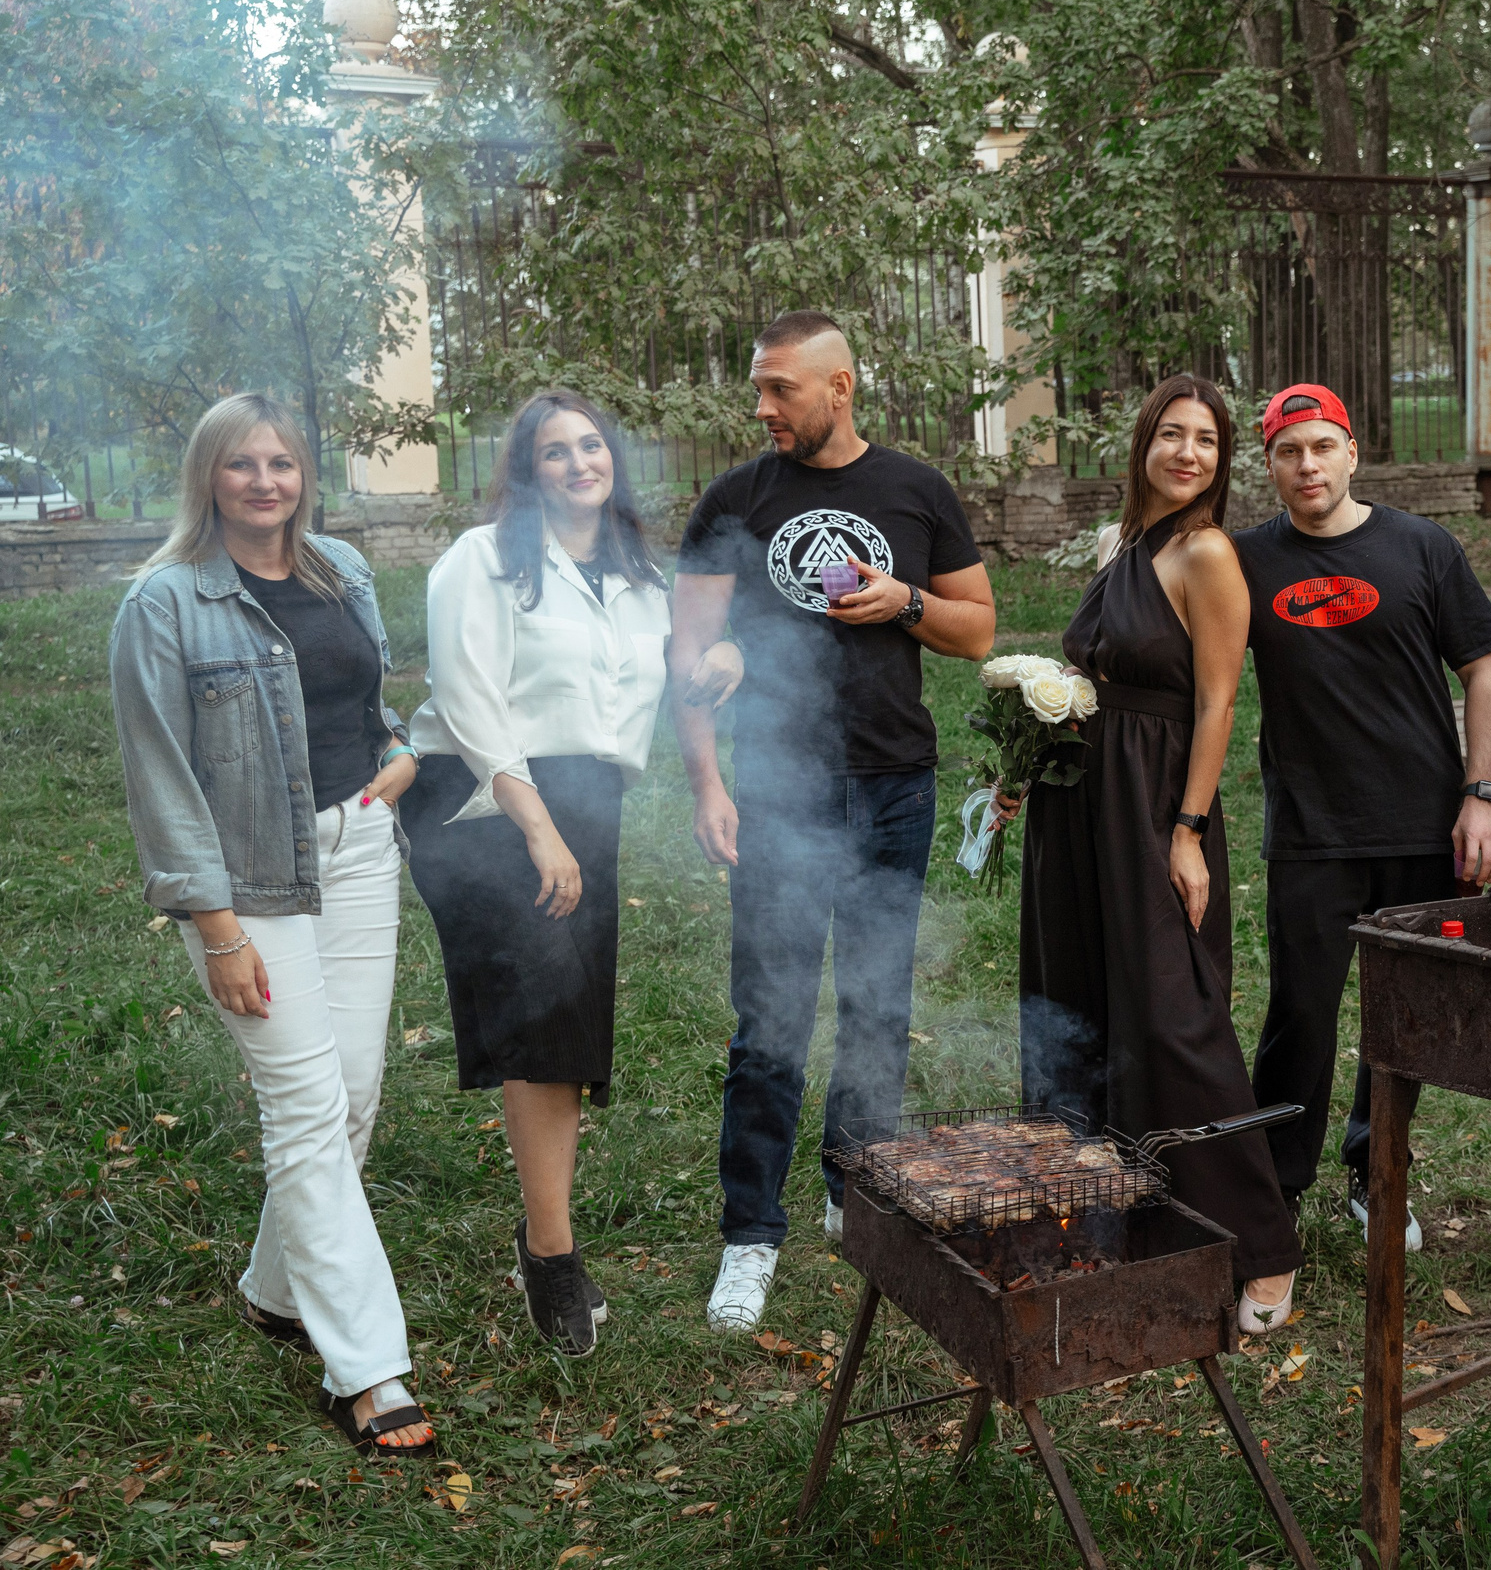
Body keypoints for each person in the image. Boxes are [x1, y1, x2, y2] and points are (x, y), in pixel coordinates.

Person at [107, 394, 432, 1455]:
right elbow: (161, 780)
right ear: (208, 477)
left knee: (357, 1094)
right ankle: (370, 1369)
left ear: (304, 475)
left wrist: (396, 755)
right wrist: (217, 928)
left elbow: (361, 695)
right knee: (305, 1108)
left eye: (280, 462)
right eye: (240, 464)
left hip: (359, 848)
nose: (263, 481)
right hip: (250, 884)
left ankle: (272, 1290)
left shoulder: (341, 566)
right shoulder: (163, 602)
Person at [671, 310, 996, 1332]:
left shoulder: (914, 490)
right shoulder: (736, 499)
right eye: (760, 389)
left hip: (895, 783)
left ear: (840, 386)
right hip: (778, 788)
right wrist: (707, 783)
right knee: (770, 1020)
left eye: (781, 389)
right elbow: (687, 657)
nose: (762, 407)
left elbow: (977, 629)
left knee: (876, 1009)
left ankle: (856, 1195)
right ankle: (748, 1235)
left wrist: (902, 600)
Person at [1017, 375, 1306, 1333]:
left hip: (1151, 807)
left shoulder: (1206, 553)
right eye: (1173, 435)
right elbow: (1091, 673)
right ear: (1143, 443)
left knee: (1175, 1013)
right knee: (1083, 1000)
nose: (1189, 453)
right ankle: (1108, 1216)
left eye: (1209, 443)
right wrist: (1025, 756)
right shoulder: (1124, 546)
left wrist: (1186, 833)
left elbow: (1220, 702)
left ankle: (1263, 1251)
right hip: (1079, 805)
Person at [402, 390, 672, 1355]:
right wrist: (538, 829)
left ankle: (544, 1236)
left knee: (566, 1022)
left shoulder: (641, 578)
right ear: (525, 471)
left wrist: (718, 659)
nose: (576, 463)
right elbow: (468, 698)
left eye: (590, 445)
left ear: (613, 461)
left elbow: (663, 680)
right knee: (544, 1005)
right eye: (552, 452)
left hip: (587, 805)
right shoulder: (480, 560)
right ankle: (551, 1255)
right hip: (485, 802)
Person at [1234, 384, 1491, 1251]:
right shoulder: (1244, 562)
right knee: (1300, 1019)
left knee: (1404, 1020)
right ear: (1271, 465)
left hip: (1425, 824)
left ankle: (1377, 1171)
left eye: (1322, 447)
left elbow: (1486, 672)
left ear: (1352, 452)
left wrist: (1483, 794)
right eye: (1289, 452)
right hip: (1312, 829)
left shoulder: (1420, 546)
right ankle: (1274, 1194)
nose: (1308, 465)